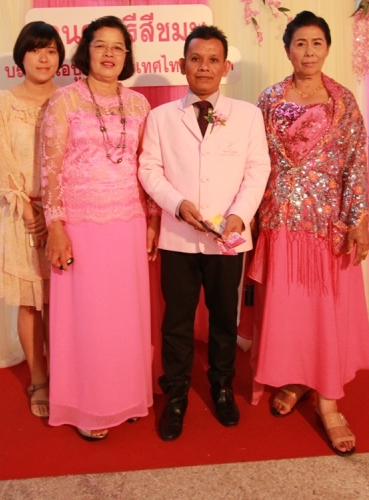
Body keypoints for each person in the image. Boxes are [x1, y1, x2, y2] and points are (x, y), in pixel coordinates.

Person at [249, 10, 369, 456]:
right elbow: (255, 161)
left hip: (327, 226)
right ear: (287, 49)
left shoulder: (343, 102)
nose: (309, 51)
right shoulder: (269, 99)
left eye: (317, 43)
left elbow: (356, 164)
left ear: (327, 48)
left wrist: (358, 221)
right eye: (300, 43)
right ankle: (298, 379)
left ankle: (329, 402)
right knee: (289, 312)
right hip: (280, 223)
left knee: (325, 313)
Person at [138, 25, 270, 441]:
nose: (204, 67)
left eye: (213, 60)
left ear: (225, 67)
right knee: (176, 319)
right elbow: (148, 169)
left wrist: (240, 215)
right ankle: (176, 392)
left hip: (228, 238)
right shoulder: (161, 117)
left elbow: (258, 170)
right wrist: (176, 204)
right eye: (196, 59)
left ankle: (222, 385)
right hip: (178, 237)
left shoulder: (247, 115)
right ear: (182, 64)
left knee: (224, 317)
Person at [41, 15, 159, 441]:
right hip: (81, 225)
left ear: (127, 55)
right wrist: (56, 227)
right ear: (85, 51)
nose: (109, 54)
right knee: (88, 318)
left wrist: (152, 219)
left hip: (128, 222)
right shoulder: (64, 101)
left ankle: (127, 396)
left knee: (124, 317)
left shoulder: (139, 104)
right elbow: (50, 169)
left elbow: (148, 168)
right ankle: (88, 404)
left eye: (118, 47)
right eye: (100, 45)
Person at [0, 21, 65, 417]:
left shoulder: (69, 101)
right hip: (21, 217)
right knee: (31, 303)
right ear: (21, 56)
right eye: (35, 50)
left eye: (51, 50)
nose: (43, 58)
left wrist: (53, 212)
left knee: (63, 302)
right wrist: (30, 209)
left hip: (63, 217)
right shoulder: (2, 103)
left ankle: (67, 374)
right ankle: (39, 378)